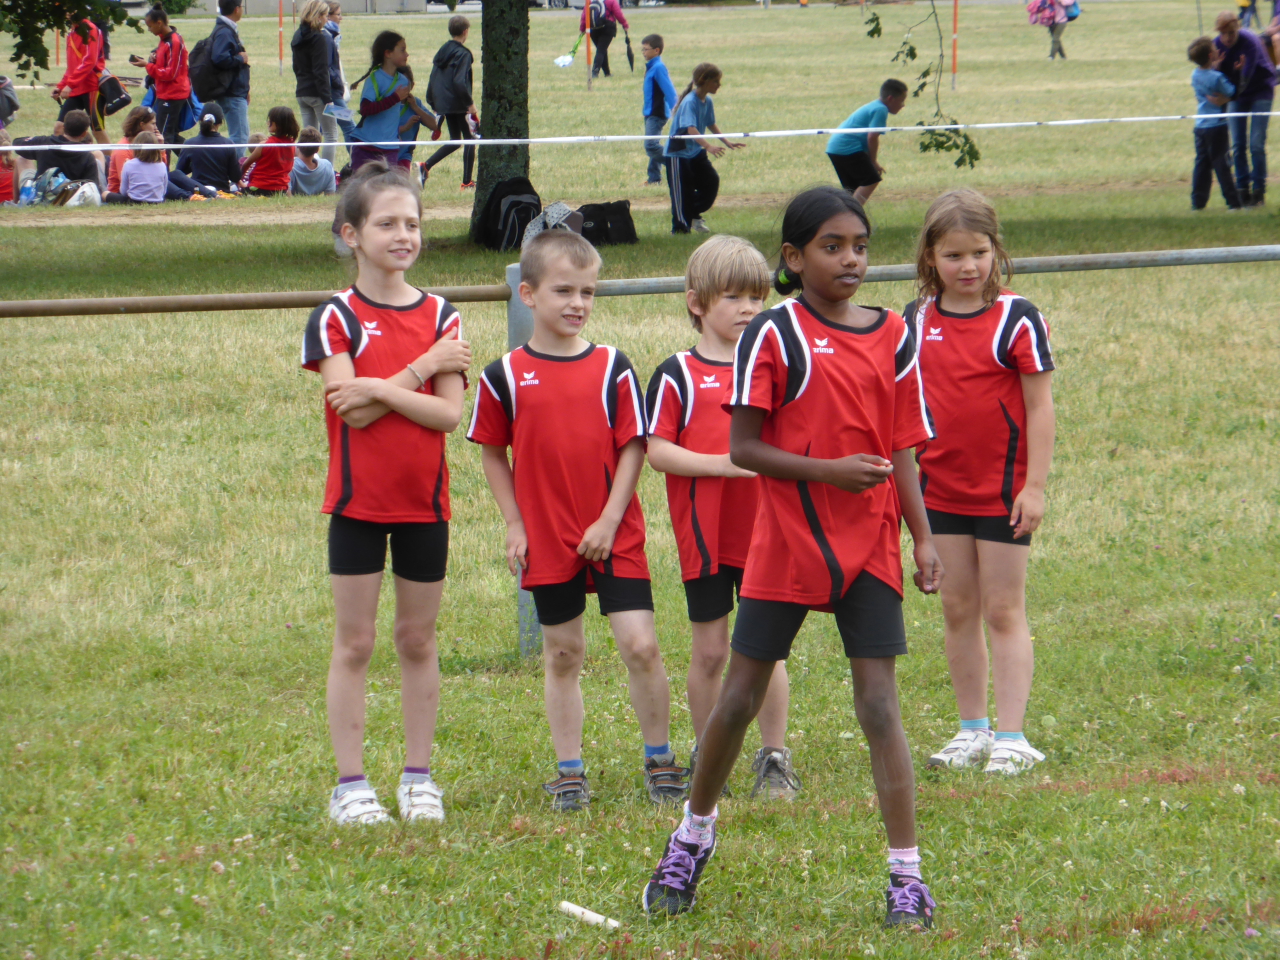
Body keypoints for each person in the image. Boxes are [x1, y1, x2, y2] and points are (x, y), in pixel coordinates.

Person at [641, 187, 941, 930]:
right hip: (786, 542)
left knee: (879, 705)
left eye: (860, 246)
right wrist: (829, 471)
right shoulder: (774, 334)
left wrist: (923, 534)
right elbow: (744, 448)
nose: (850, 260)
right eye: (831, 247)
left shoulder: (894, 333)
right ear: (794, 257)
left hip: (869, 544)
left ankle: (907, 876)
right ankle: (692, 836)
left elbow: (902, 446)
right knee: (740, 696)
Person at [467, 231, 686, 813]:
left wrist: (610, 520)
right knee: (563, 652)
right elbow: (492, 451)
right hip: (547, 535)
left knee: (641, 645)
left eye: (587, 292)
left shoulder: (613, 366)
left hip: (615, 533)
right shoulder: (503, 374)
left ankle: (660, 759)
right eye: (563, 290)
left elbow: (633, 446)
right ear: (528, 295)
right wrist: (515, 524)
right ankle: (569, 771)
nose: (577, 303)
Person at [300, 161, 472, 825]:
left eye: (413, 223)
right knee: (356, 644)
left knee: (418, 641)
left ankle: (418, 778)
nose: (404, 235)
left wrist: (378, 385)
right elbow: (352, 411)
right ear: (351, 234)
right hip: (357, 507)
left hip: (425, 506)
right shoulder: (334, 316)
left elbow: (448, 416)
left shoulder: (442, 314)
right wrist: (422, 367)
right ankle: (351, 785)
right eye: (387, 224)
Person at [903, 189, 1055, 777]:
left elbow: (1040, 407)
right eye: (953, 256)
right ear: (930, 257)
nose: (968, 267)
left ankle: (1013, 738)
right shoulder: (916, 320)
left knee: (1003, 608)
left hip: (1002, 496)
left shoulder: (1018, 318)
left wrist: (1034, 488)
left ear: (996, 250)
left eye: (979, 253)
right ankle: (973, 729)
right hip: (939, 494)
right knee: (958, 607)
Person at [644, 235, 800, 801]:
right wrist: (725, 465)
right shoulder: (677, 373)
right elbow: (657, 451)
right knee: (710, 651)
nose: (748, 309)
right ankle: (711, 755)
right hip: (705, 536)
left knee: (765, 651)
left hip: (768, 534)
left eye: (757, 298)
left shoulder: (774, 368)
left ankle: (774, 757)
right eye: (733, 297)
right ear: (697, 302)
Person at [664, 63, 744, 235]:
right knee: (682, 192)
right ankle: (680, 229)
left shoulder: (707, 101)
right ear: (705, 81)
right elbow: (690, 128)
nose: (719, 85)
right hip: (678, 154)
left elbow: (711, 123)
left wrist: (726, 142)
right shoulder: (689, 102)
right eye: (716, 81)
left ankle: (692, 214)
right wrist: (708, 146)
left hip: (695, 152)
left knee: (711, 182)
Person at [1214, 11, 1276, 205]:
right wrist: (1216, 68)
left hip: (1260, 90)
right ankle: (1242, 189)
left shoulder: (1249, 42)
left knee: (1256, 144)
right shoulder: (1216, 45)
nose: (1227, 38)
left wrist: (1227, 98)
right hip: (1236, 94)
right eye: (1223, 34)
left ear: (1238, 30)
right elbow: (1216, 78)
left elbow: (1245, 78)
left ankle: (1259, 191)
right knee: (1238, 145)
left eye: (1231, 33)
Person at [825, 79, 907, 206]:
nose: (903, 105)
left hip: (835, 147)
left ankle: (846, 213)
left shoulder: (874, 105)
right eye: (901, 100)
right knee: (871, 181)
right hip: (847, 148)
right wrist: (873, 162)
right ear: (890, 99)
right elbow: (872, 137)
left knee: (852, 190)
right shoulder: (880, 109)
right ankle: (852, 212)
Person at [1188, 37, 1244, 209]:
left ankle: (1198, 203)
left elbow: (1207, 80)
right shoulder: (1217, 77)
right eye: (1214, 48)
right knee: (1222, 165)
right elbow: (1231, 91)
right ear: (1211, 55)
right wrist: (1236, 72)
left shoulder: (1195, 75)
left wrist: (1214, 67)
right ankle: (1233, 203)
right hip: (1217, 127)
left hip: (1200, 126)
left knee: (1202, 164)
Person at [423, 16, 477, 189]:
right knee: (470, 139)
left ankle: (425, 166)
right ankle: (467, 182)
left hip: (444, 103)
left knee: (455, 140)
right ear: (465, 31)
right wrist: (469, 104)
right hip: (458, 103)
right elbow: (459, 82)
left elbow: (433, 78)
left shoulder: (442, 51)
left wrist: (433, 102)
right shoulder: (463, 54)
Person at [349, 31, 413, 173]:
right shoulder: (374, 79)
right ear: (388, 53)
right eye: (402, 50)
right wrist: (394, 98)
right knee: (361, 184)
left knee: (387, 185)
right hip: (366, 145)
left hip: (390, 147)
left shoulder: (403, 81)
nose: (407, 54)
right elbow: (366, 109)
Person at [131, 5, 190, 147]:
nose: (149, 29)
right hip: (166, 93)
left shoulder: (174, 42)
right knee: (170, 133)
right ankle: (191, 157)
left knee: (163, 135)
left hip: (173, 94)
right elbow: (167, 63)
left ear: (159, 23)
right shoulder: (164, 39)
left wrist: (147, 65)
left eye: (150, 26)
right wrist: (155, 58)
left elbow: (170, 73)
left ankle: (165, 162)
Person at [292, 0, 340, 166]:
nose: (327, 19)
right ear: (318, 17)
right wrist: (327, 99)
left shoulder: (297, 35)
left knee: (308, 138)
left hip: (302, 92)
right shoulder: (319, 38)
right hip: (318, 94)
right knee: (331, 134)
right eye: (325, 16)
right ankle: (327, 172)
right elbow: (321, 71)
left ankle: (305, 169)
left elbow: (296, 66)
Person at [52, 14, 107, 144]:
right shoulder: (71, 33)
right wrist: (61, 86)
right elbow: (72, 66)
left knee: (97, 130)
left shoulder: (90, 29)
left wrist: (70, 85)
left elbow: (90, 61)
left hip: (92, 87)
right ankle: (64, 157)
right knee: (59, 128)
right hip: (76, 89)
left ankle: (109, 157)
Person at [14, 110, 105, 187]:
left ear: (63, 127)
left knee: (22, 159)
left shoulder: (44, 142)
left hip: (41, 196)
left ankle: (18, 201)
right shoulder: (88, 157)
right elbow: (92, 186)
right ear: (84, 134)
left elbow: (17, 144)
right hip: (73, 198)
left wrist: (33, 139)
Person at [211, 0, 252, 158]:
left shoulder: (226, 29)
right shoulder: (224, 32)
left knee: (239, 135)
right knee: (240, 138)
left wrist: (245, 90)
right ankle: (233, 171)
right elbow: (219, 58)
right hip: (232, 92)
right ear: (236, 9)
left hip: (235, 91)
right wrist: (240, 59)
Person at [177, 103, 242, 193]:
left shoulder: (190, 143)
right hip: (222, 191)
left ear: (200, 120)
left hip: (198, 191)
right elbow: (235, 177)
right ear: (220, 122)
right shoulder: (228, 144)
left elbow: (179, 172)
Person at [640, 34, 678, 187]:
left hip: (657, 114)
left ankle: (676, 163)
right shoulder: (652, 67)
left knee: (651, 145)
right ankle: (654, 178)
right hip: (649, 112)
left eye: (646, 49)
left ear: (657, 50)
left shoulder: (658, 68)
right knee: (653, 144)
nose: (643, 52)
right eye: (642, 49)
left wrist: (677, 111)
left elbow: (670, 92)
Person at [393, 67, 441, 174]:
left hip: (404, 155)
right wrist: (405, 127)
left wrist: (415, 108)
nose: (402, 88)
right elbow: (381, 130)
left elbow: (434, 126)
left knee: (401, 182)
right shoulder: (386, 103)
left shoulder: (415, 103)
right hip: (384, 153)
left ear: (412, 85)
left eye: (406, 84)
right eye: (397, 83)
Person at [324, 2, 357, 158]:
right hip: (331, 94)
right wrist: (338, 85)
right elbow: (328, 67)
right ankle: (359, 163)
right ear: (327, 16)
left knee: (322, 129)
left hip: (329, 93)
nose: (341, 18)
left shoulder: (331, 36)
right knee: (349, 126)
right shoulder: (327, 36)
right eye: (338, 14)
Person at [243, 106, 298, 195]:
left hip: (258, 187)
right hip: (281, 190)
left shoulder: (265, 145)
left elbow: (246, 164)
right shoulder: (292, 145)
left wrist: (239, 181)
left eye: (270, 120)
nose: (268, 122)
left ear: (278, 124)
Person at [104, 130, 172, 203]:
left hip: (134, 201)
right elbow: (164, 191)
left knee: (105, 194)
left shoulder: (129, 164)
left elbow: (123, 191)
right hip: (157, 201)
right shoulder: (162, 165)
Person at [579, 0, 629, 79]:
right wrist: (624, 24)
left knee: (602, 50)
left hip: (593, 29)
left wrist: (582, 28)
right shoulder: (611, 1)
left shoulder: (590, 1)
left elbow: (584, 15)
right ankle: (595, 72)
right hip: (608, 27)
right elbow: (618, 14)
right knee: (601, 50)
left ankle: (607, 73)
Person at [291, 125, 337, 194]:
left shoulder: (290, 167)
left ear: (298, 145)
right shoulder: (327, 166)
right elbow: (330, 194)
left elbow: (287, 193)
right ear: (318, 150)